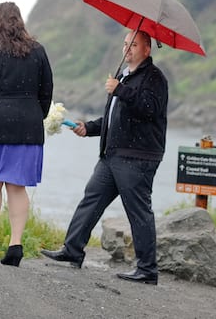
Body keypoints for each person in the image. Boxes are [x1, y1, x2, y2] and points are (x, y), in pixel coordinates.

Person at [41, 29, 167, 285]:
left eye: (134, 44)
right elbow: (114, 118)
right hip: (112, 155)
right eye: (125, 43)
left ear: (147, 49)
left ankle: (147, 270)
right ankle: (72, 250)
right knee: (91, 199)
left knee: (138, 211)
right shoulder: (124, 75)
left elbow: (149, 109)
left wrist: (121, 90)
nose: (127, 48)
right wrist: (88, 128)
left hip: (138, 157)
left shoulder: (155, 78)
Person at [0, 2, 54, 267]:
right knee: (17, 186)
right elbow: (46, 90)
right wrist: (36, 116)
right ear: (20, 22)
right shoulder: (38, 52)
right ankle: (15, 245)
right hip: (27, 128)